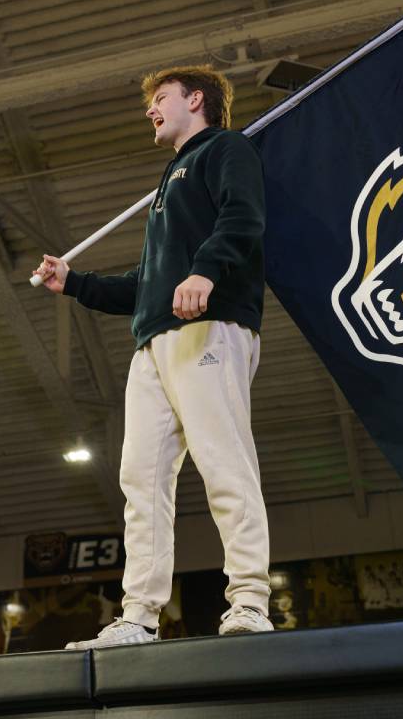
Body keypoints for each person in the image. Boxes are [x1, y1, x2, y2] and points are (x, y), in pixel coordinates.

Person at [35, 65, 272, 648]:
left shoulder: (226, 149)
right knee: (139, 478)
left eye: (160, 98)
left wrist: (204, 271)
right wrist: (76, 283)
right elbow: (146, 285)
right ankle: (139, 615)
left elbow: (245, 219)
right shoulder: (170, 181)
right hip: (155, 341)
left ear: (196, 100)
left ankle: (249, 600)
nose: (150, 109)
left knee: (224, 461)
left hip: (210, 327)